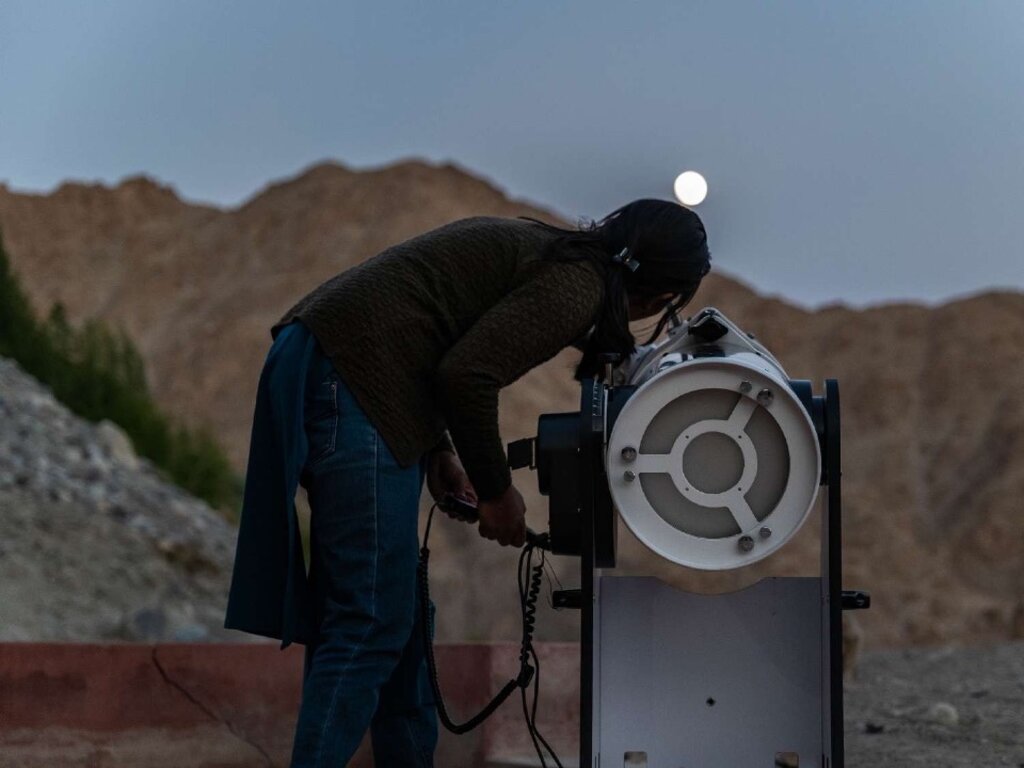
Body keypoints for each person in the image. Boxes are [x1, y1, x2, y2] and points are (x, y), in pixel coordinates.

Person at [223, 198, 711, 767]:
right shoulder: (576, 286)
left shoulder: (554, 257)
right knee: (371, 620)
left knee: (400, 623)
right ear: (660, 296)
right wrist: (497, 491)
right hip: (350, 382)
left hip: (352, 376)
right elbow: (467, 375)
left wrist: (439, 451)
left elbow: (422, 335)